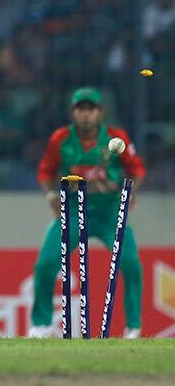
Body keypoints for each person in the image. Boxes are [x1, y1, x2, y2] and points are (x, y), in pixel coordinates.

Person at [29, 87, 145, 339]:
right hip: (72, 211)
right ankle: (41, 325)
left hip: (110, 212)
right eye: (80, 109)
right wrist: (50, 194)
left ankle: (133, 327)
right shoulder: (60, 139)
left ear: (100, 112)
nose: (86, 115)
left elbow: (135, 169)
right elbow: (45, 172)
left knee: (132, 265)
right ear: (73, 112)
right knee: (46, 264)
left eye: (91, 109)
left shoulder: (116, 137)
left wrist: (131, 193)